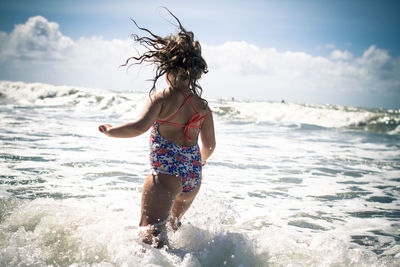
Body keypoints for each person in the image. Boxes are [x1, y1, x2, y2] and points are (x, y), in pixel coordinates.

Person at [98, 9, 216, 248]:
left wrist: (111, 131)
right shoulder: (203, 107)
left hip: (166, 175)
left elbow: (139, 127)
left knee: (149, 240)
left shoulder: (162, 97)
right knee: (171, 230)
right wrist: (200, 161)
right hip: (192, 177)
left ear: (167, 68)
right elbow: (210, 145)